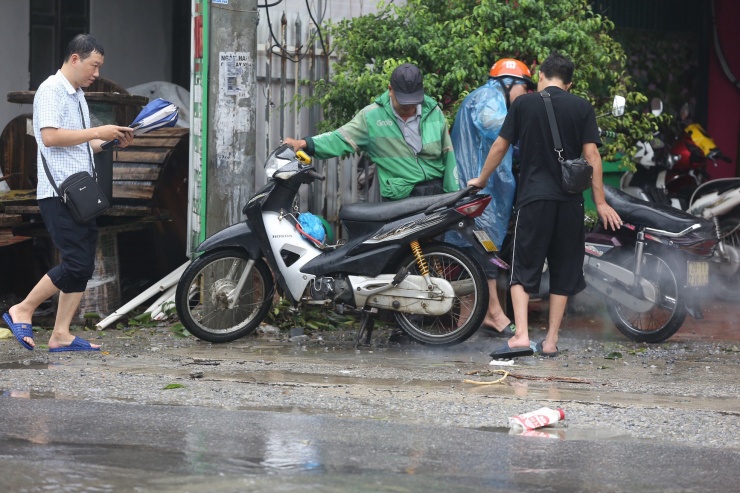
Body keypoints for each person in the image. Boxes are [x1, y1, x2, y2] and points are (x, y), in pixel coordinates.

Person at [468, 51, 622, 360]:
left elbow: (500, 146)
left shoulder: (524, 104)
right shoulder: (582, 106)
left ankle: (521, 336)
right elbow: (592, 156)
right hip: (570, 204)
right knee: (564, 270)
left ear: (540, 76)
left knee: (522, 268)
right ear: (570, 83)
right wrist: (601, 202)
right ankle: (550, 341)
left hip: (534, 200)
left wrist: (481, 179)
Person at [2, 34, 134, 352]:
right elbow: (49, 137)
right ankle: (22, 309)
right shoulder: (51, 90)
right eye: (94, 65)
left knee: (83, 264)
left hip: (79, 192)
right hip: (59, 193)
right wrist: (97, 130)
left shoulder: (77, 95)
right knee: (75, 262)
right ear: (75, 59)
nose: (97, 74)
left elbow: (85, 143)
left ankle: (61, 334)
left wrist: (110, 140)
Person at [283, 63, 458, 200]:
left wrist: (453, 195)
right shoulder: (371, 117)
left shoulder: (433, 112)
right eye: (404, 102)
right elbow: (341, 138)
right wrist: (305, 143)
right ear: (390, 90)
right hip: (402, 198)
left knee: (434, 247)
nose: (409, 107)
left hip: (436, 194)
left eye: (414, 102)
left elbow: (448, 154)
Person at [451, 58, 535, 338]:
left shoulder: (494, 97)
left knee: (475, 252)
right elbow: (493, 125)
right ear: (508, 83)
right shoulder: (488, 97)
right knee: (483, 250)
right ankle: (495, 313)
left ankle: (466, 321)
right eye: (524, 89)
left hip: (484, 191)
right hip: (478, 191)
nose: (524, 96)